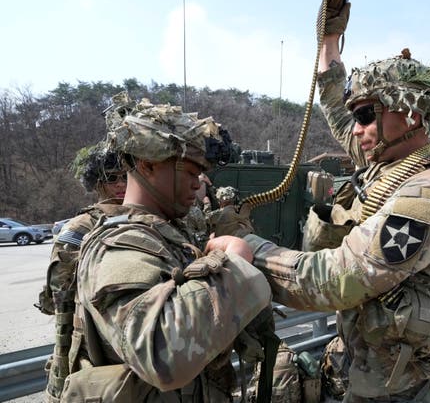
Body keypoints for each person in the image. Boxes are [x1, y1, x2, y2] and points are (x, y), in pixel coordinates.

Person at [212, 0, 430, 402]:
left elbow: (340, 280)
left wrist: (250, 248)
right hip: (373, 366)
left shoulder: (428, 195)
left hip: (401, 385)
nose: (355, 129)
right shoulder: (388, 161)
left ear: (409, 114)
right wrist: (328, 43)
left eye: (366, 115)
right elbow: (338, 112)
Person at [60, 92, 272, 402]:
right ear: (146, 165)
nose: (198, 185)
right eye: (189, 172)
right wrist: (235, 265)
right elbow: (161, 354)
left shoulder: (167, 232)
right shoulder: (120, 245)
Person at [36, 142, 128, 401]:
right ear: (97, 182)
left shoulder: (146, 217)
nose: (120, 185)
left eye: (126, 177)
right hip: (86, 327)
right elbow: (60, 290)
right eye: (112, 179)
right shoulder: (81, 225)